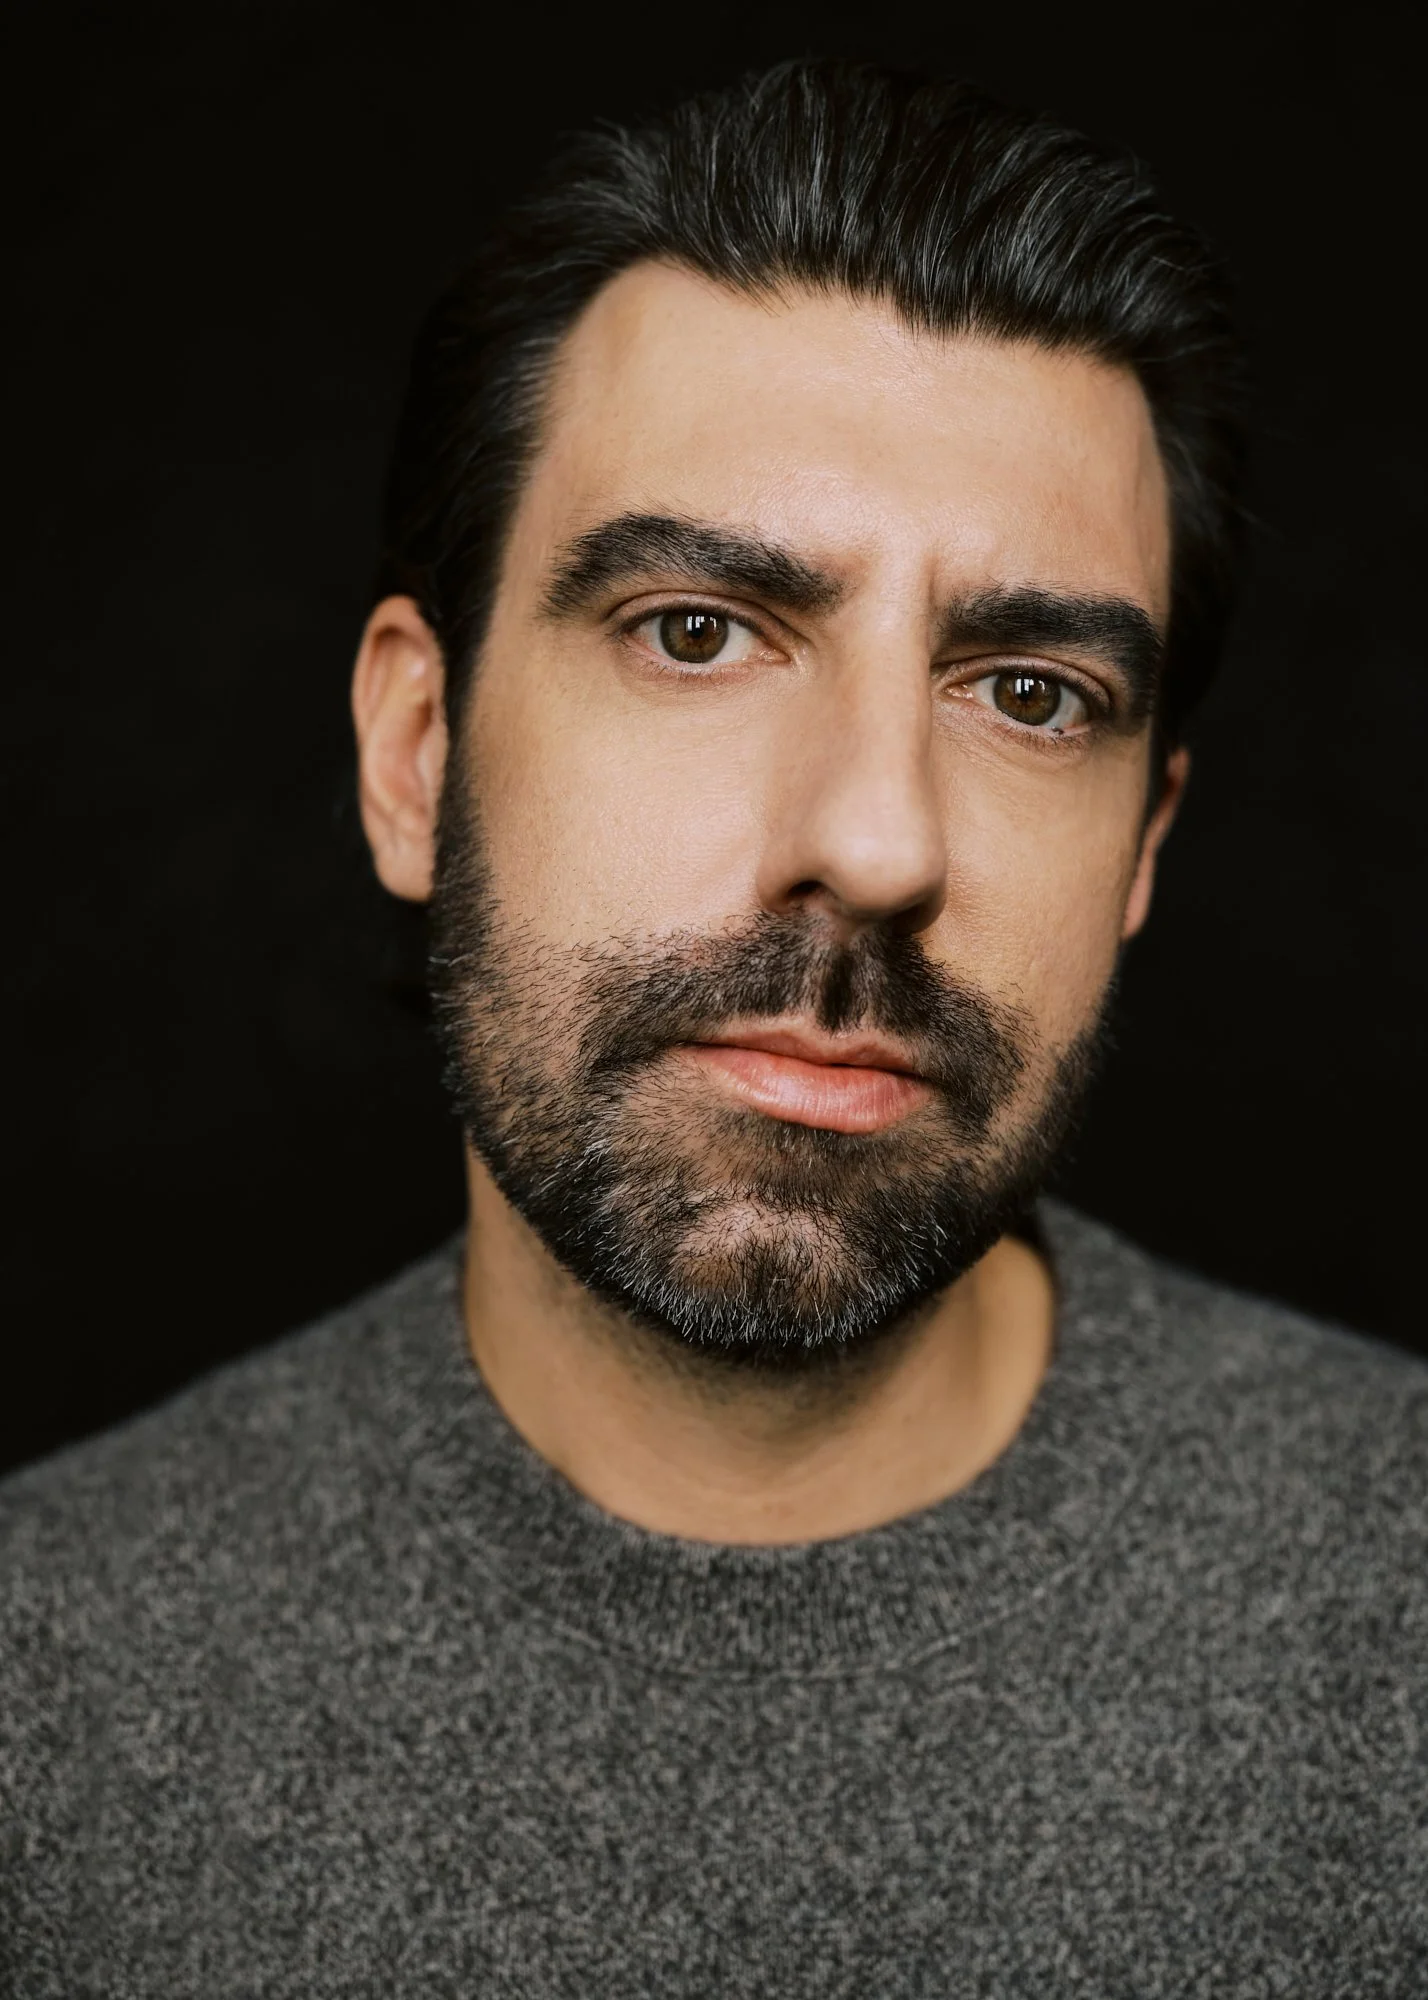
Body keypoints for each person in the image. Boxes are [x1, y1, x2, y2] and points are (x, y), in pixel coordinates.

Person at [2, 59, 1423, 1996]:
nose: (877, 842)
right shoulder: (48, 1704)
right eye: (698, 631)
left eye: (1029, 693)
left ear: (1145, 848)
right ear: (416, 756)